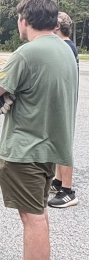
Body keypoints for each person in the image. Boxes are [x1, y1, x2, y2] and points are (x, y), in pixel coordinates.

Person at [0, 0, 77, 260]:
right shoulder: (65, 50)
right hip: (50, 147)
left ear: (25, 20)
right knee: (36, 212)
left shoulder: (26, 53)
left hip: (25, 149)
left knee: (33, 219)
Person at [48, 11, 79, 208]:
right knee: (59, 141)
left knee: (64, 143)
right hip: (65, 99)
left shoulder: (64, 47)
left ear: (57, 27)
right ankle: (59, 181)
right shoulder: (69, 46)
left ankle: (67, 191)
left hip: (63, 101)